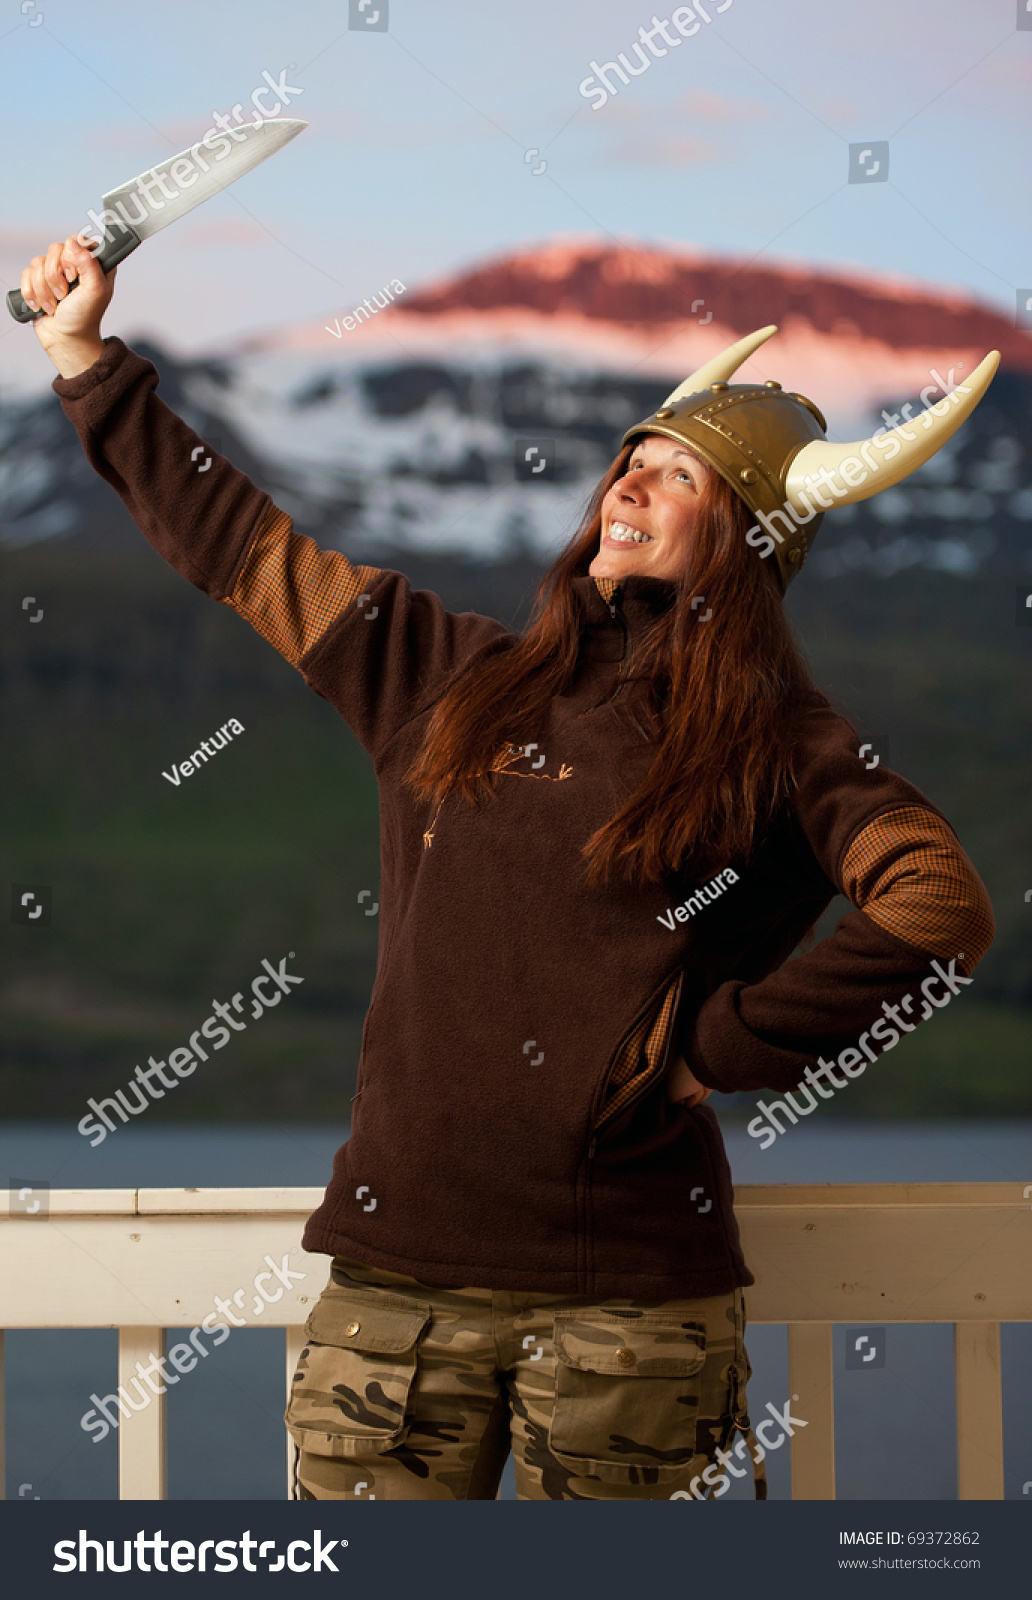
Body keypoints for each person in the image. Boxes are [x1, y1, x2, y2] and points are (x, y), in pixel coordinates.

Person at [22, 236, 996, 1502]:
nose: (629, 487)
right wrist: (86, 359)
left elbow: (940, 905)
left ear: (752, 534)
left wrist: (710, 1052)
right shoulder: (448, 673)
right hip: (392, 1290)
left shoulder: (785, 740)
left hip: (631, 1315)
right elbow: (244, 548)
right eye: (629, 462)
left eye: (678, 476)